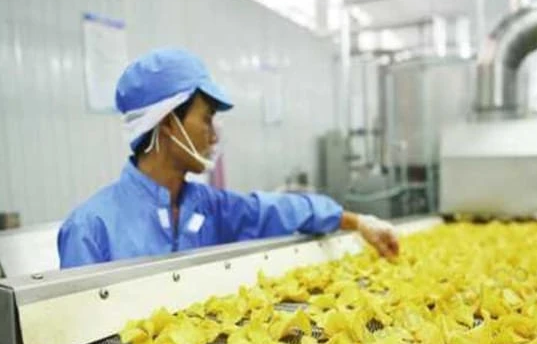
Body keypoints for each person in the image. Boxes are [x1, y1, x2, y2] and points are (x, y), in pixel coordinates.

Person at [57, 48, 398, 269]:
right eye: (206, 119)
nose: (215, 135)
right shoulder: (91, 229)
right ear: (167, 123)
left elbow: (277, 210)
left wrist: (357, 222)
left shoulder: (210, 208)